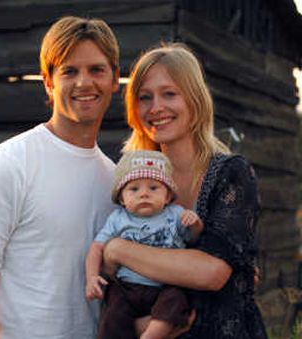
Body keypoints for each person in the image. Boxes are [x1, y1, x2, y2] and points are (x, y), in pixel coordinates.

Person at [0, 16, 120, 339]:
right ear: (48, 81)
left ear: (115, 79)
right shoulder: (10, 163)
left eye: (96, 70)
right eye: (69, 71)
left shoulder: (114, 180)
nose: (84, 83)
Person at [102, 43, 268, 338]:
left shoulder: (231, 173)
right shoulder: (129, 179)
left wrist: (119, 249)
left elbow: (212, 273)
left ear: (194, 99)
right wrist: (142, 325)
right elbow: (109, 276)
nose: (156, 108)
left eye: (169, 93)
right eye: (144, 97)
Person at [85, 150, 203, 339]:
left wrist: (195, 224)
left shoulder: (175, 214)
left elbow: (193, 239)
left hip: (165, 284)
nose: (144, 194)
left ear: (167, 196)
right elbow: (97, 247)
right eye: (134, 189)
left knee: (175, 300)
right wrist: (91, 277)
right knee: (113, 314)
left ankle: (153, 335)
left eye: (154, 188)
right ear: (122, 198)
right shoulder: (118, 219)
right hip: (127, 286)